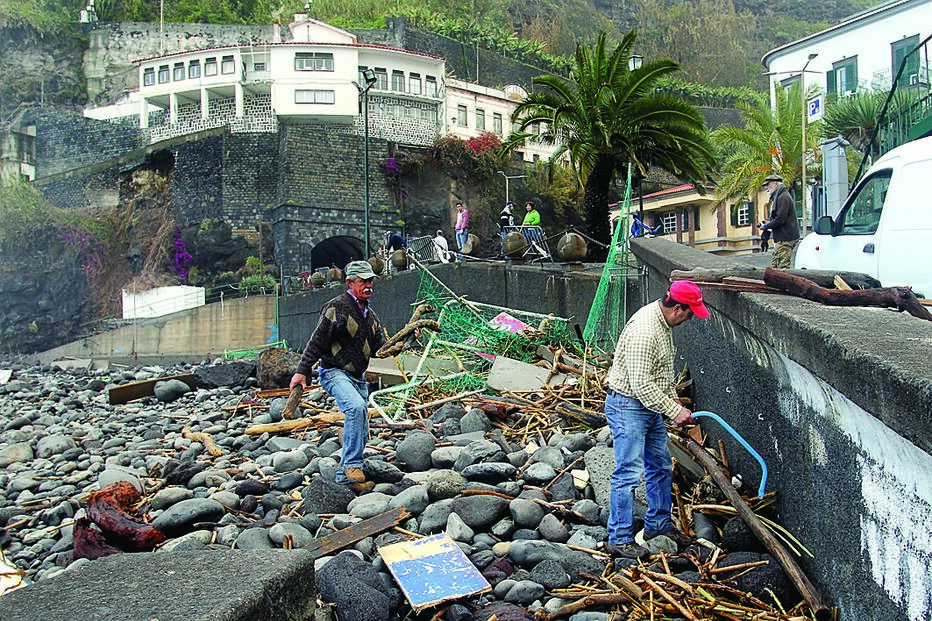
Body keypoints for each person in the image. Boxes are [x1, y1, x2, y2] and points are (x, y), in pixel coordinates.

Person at [603, 280, 711, 559]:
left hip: (647, 406)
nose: (689, 319)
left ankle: (658, 526)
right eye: (689, 314)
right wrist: (675, 411)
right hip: (628, 405)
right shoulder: (645, 331)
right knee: (628, 473)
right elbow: (641, 384)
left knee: (661, 466)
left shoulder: (663, 323)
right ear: (677, 308)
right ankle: (620, 537)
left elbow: (660, 372)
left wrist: (672, 399)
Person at [290, 261, 387, 493]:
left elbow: (381, 350)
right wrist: (302, 371)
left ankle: (344, 479)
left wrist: (408, 339)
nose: (368, 285)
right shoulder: (337, 307)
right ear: (350, 282)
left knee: (362, 423)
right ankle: (353, 465)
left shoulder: (371, 315)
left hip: (358, 376)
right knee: (355, 408)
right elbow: (317, 341)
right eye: (363, 281)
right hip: (334, 371)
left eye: (370, 280)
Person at [758, 174, 800, 269]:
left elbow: (780, 219)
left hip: (786, 239)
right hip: (783, 238)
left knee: (782, 267)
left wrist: (766, 226)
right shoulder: (780, 196)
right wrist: (768, 223)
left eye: (768, 185)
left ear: (775, 184)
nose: (766, 188)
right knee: (776, 265)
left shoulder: (783, 197)